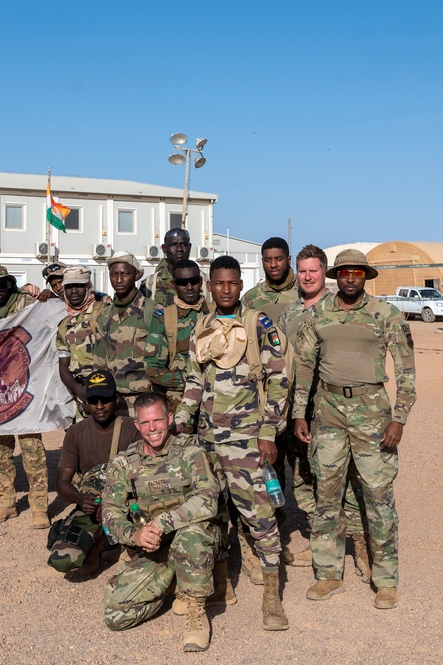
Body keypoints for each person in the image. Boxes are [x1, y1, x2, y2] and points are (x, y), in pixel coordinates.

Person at [293, 249, 415, 610]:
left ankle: (386, 579)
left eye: (356, 273)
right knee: (327, 496)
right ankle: (328, 575)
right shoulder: (317, 313)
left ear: (365, 276)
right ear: (335, 276)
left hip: (372, 413)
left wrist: (400, 417)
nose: (349, 279)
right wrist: (300, 412)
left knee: (378, 497)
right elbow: (303, 366)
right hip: (328, 412)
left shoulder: (385, 314)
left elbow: (407, 370)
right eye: (344, 272)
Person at [173, 254, 290, 631]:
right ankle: (221, 582)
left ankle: (272, 596)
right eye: (218, 283)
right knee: (214, 513)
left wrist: (269, 431)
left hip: (246, 441)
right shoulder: (202, 327)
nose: (225, 289)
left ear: (241, 285)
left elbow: (279, 380)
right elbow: (194, 379)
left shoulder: (258, 323)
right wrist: (180, 420)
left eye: (232, 283)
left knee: (261, 517)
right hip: (208, 440)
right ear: (209, 286)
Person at [101, 392, 221, 653]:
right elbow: (110, 511)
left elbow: (208, 498)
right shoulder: (124, 462)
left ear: (169, 419)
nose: (152, 428)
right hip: (153, 547)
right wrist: (134, 535)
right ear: (137, 425)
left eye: (157, 420)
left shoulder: (190, 452)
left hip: (194, 540)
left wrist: (163, 523)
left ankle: (195, 607)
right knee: (115, 616)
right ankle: (175, 581)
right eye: (144, 423)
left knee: (191, 535)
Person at [276, 245, 368, 573]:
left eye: (313, 270)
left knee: (344, 480)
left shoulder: (338, 308)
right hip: (297, 409)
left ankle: (359, 546)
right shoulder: (288, 314)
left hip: (333, 411)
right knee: (303, 479)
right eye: (302, 271)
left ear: (324, 272)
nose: (308, 276)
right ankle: (322, 546)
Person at [0, 264, 50, 528]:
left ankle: (39, 507)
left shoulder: (27, 303)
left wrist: (50, 299)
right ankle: (7, 503)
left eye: (1, 285)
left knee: (32, 449)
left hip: (24, 385)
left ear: (10, 285)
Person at [47, 370, 139, 574]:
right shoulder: (76, 433)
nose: (99, 406)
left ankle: (119, 541)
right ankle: (102, 542)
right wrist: (81, 499)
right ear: (85, 404)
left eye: (105, 400)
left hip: (130, 505)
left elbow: (146, 479)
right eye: (93, 400)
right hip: (92, 506)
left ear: (116, 399)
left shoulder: (133, 429)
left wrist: (115, 506)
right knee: (64, 559)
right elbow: (62, 483)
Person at [145, 259, 211, 414]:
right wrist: (192, 381)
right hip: (179, 405)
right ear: (174, 285)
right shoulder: (164, 318)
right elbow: (152, 369)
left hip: (213, 404)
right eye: (182, 282)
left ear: (200, 282)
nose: (189, 287)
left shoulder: (214, 314)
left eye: (193, 281)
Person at [92, 252, 151, 416]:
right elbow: (99, 362)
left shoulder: (152, 310)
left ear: (136, 275)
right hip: (114, 400)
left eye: (125, 274)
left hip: (145, 399)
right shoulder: (104, 316)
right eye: (114, 274)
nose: (119, 280)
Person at [56, 267, 110, 416]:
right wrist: (80, 391)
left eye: (79, 286)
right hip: (81, 396)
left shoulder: (105, 313)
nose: (74, 291)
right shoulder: (64, 325)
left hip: (107, 391)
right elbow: (63, 367)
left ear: (88, 287)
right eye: (69, 287)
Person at [242, 237, 298, 323]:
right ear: (262, 262)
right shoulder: (250, 298)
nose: (273, 265)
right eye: (267, 260)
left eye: (279, 259)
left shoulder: (304, 291)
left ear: (289, 260)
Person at [147, 228, 192, 306]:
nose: (179, 249)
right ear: (164, 248)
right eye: (173, 245)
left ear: (190, 247)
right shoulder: (150, 285)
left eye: (184, 244)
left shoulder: (203, 282)